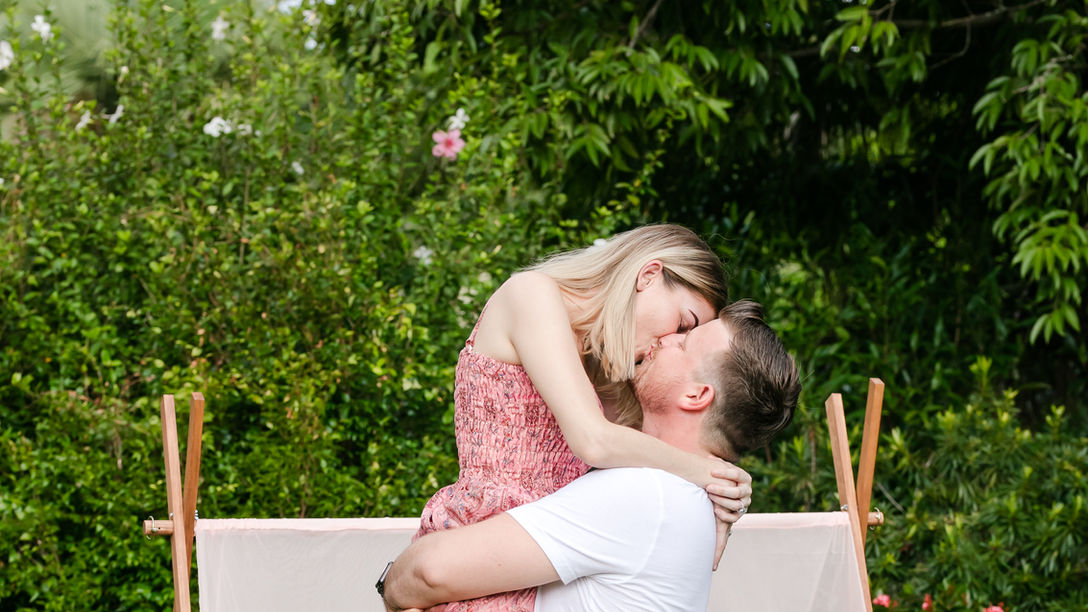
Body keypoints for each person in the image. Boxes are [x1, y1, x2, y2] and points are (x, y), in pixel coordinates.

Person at [380, 300, 800, 611]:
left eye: (685, 341)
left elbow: (427, 573)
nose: (667, 337)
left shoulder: (647, 493)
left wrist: (390, 581)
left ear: (696, 395)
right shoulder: (679, 496)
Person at [416, 225, 752, 611]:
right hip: (477, 552)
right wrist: (708, 473)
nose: (668, 341)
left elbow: (661, 454)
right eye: (682, 323)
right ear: (648, 275)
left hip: (540, 565)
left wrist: (726, 499)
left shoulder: (604, 365)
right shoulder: (532, 295)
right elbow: (593, 440)